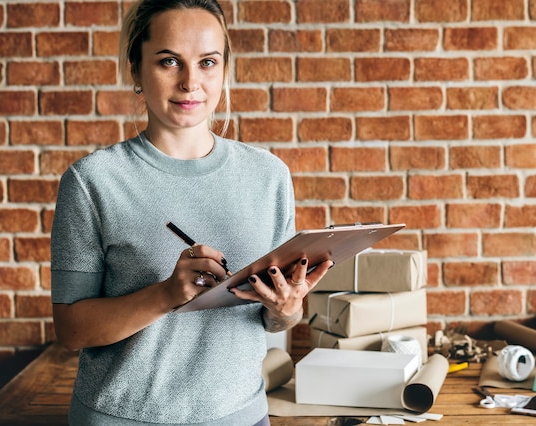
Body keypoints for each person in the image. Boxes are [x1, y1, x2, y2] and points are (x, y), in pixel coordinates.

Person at [50, 1, 333, 424]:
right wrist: (167, 294)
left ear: (223, 71)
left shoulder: (269, 175)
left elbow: (273, 321)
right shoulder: (93, 181)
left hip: (242, 416)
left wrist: (286, 310)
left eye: (207, 62)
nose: (190, 82)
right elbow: (72, 330)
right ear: (136, 71)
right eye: (169, 62)